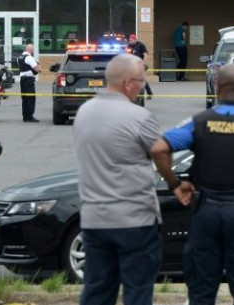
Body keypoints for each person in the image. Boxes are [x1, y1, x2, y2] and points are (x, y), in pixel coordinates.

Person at [150, 63, 234, 305]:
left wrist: (175, 184)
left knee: (202, 294)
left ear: (217, 85)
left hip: (205, 215)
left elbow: (159, 148)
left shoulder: (199, 122)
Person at [74, 53, 163, 305]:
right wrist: (176, 184)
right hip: (135, 220)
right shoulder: (139, 117)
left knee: (97, 291)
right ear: (127, 83)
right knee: (138, 291)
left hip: (95, 221)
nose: (142, 86)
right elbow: (160, 153)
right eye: (141, 81)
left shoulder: (84, 113)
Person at [18, 43, 41, 122]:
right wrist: (38, 65)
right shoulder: (29, 58)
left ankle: (25, 116)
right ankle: (30, 117)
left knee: (24, 99)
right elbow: (37, 69)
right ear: (31, 50)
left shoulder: (20, 57)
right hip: (28, 80)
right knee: (31, 98)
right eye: (33, 49)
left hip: (22, 80)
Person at [128, 33, 153, 99]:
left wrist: (143, 63)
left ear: (135, 39)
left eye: (131, 40)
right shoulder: (129, 46)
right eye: (129, 40)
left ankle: (148, 93)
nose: (130, 42)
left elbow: (145, 54)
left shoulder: (140, 45)